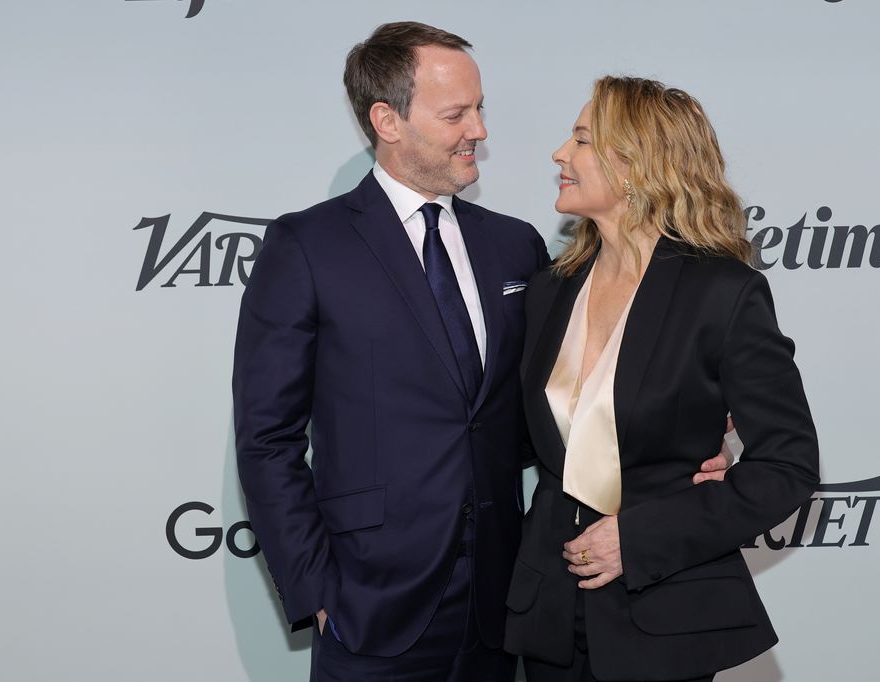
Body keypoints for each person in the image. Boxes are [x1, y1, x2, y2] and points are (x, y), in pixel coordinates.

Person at [233, 22, 733, 681]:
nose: (480, 130)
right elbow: (266, 440)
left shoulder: (515, 245)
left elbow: (549, 412)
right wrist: (317, 591)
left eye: (480, 108)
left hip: (505, 603)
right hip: (370, 607)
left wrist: (681, 444)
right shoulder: (307, 247)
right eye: (456, 114)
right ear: (388, 120)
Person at [503, 77, 820, 682]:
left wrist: (642, 537)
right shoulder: (551, 288)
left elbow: (789, 465)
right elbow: (532, 439)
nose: (559, 155)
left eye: (581, 139)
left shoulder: (723, 292)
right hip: (548, 614)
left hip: (665, 614)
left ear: (637, 164)